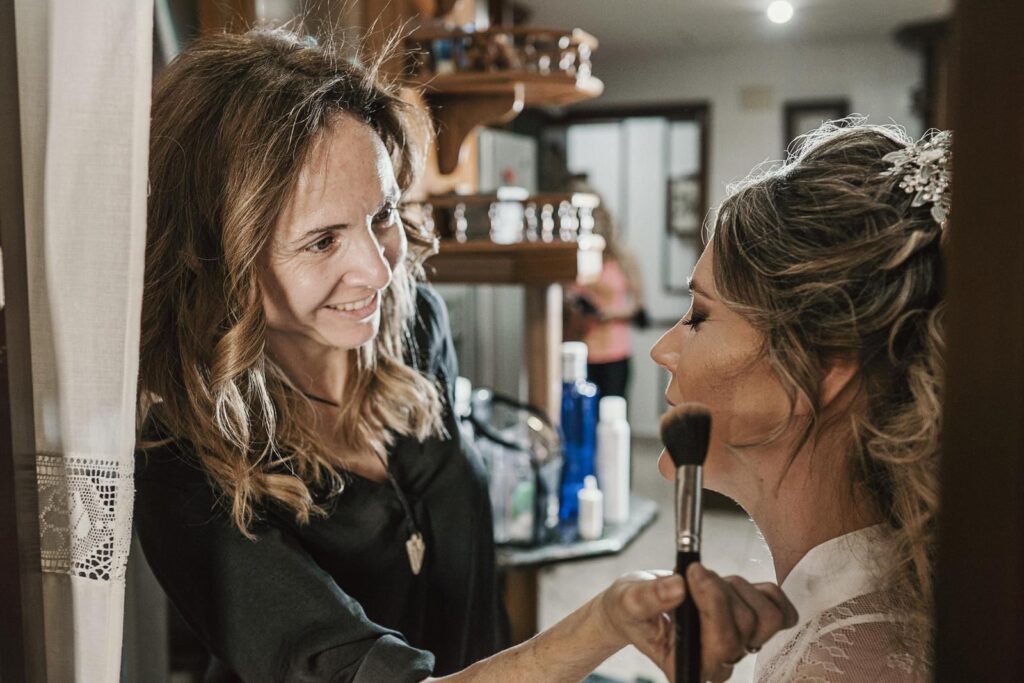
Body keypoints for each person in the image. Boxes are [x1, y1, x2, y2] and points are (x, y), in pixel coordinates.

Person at [134, 28, 796, 683]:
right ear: (221, 256)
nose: (375, 267)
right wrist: (604, 621)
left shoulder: (414, 327)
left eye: (382, 215)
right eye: (323, 240)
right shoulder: (183, 464)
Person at [651, 119, 950, 681]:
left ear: (821, 365)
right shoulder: (843, 605)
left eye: (699, 316)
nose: (662, 350)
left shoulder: (845, 663)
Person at [564, 177, 647, 398]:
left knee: (612, 412)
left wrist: (607, 314)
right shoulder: (572, 257)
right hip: (580, 351)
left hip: (615, 353)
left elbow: (638, 306)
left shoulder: (624, 258)